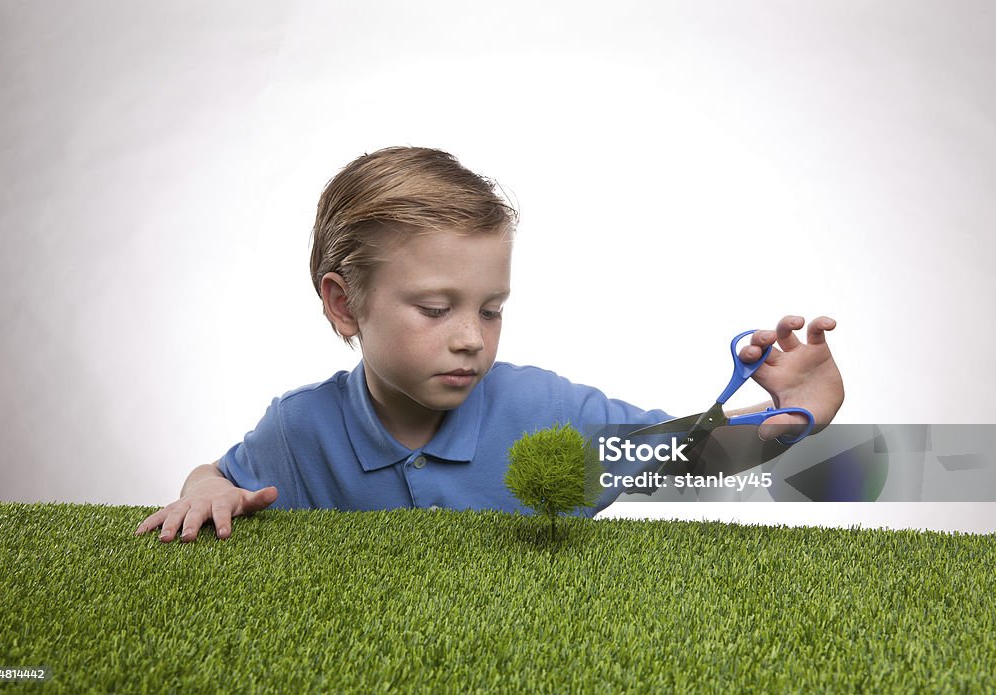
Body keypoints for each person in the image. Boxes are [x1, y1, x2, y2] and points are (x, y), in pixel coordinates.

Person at [135, 146, 844, 543]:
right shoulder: (299, 430)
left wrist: (800, 416)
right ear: (344, 302)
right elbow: (218, 476)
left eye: (492, 309)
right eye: (437, 308)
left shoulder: (543, 408)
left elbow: (684, 455)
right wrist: (205, 492)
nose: (472, 338)